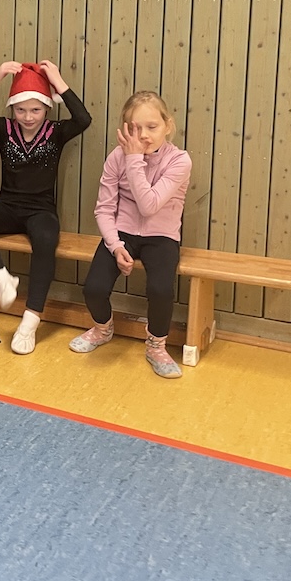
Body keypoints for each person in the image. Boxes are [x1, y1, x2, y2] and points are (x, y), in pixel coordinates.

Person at [0, 60, 90, 354]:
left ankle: (30, 320)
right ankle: (1, 277)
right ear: (12, 109)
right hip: (7, 209)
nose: (28, 117)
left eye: (35, 110)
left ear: (47, 109)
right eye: (20, 110)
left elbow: (83, 119)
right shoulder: (4, 129)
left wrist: (57, 81)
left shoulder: (56, 132)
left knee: (46, 238)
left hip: (41, 212)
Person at [70, 92, 191, 378]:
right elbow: (104, 209)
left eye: (152, 127)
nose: (144, 135)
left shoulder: (180, 161)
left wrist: (134, 158)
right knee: (93, 288)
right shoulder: (116, 157)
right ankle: (103, 328)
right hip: (121, 232)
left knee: (160, 290)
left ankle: (156, 345)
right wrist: (115, 246)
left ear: (168, 126)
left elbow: (149, 206)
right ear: (125, 129)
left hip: (161, 236)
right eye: (135, 128)